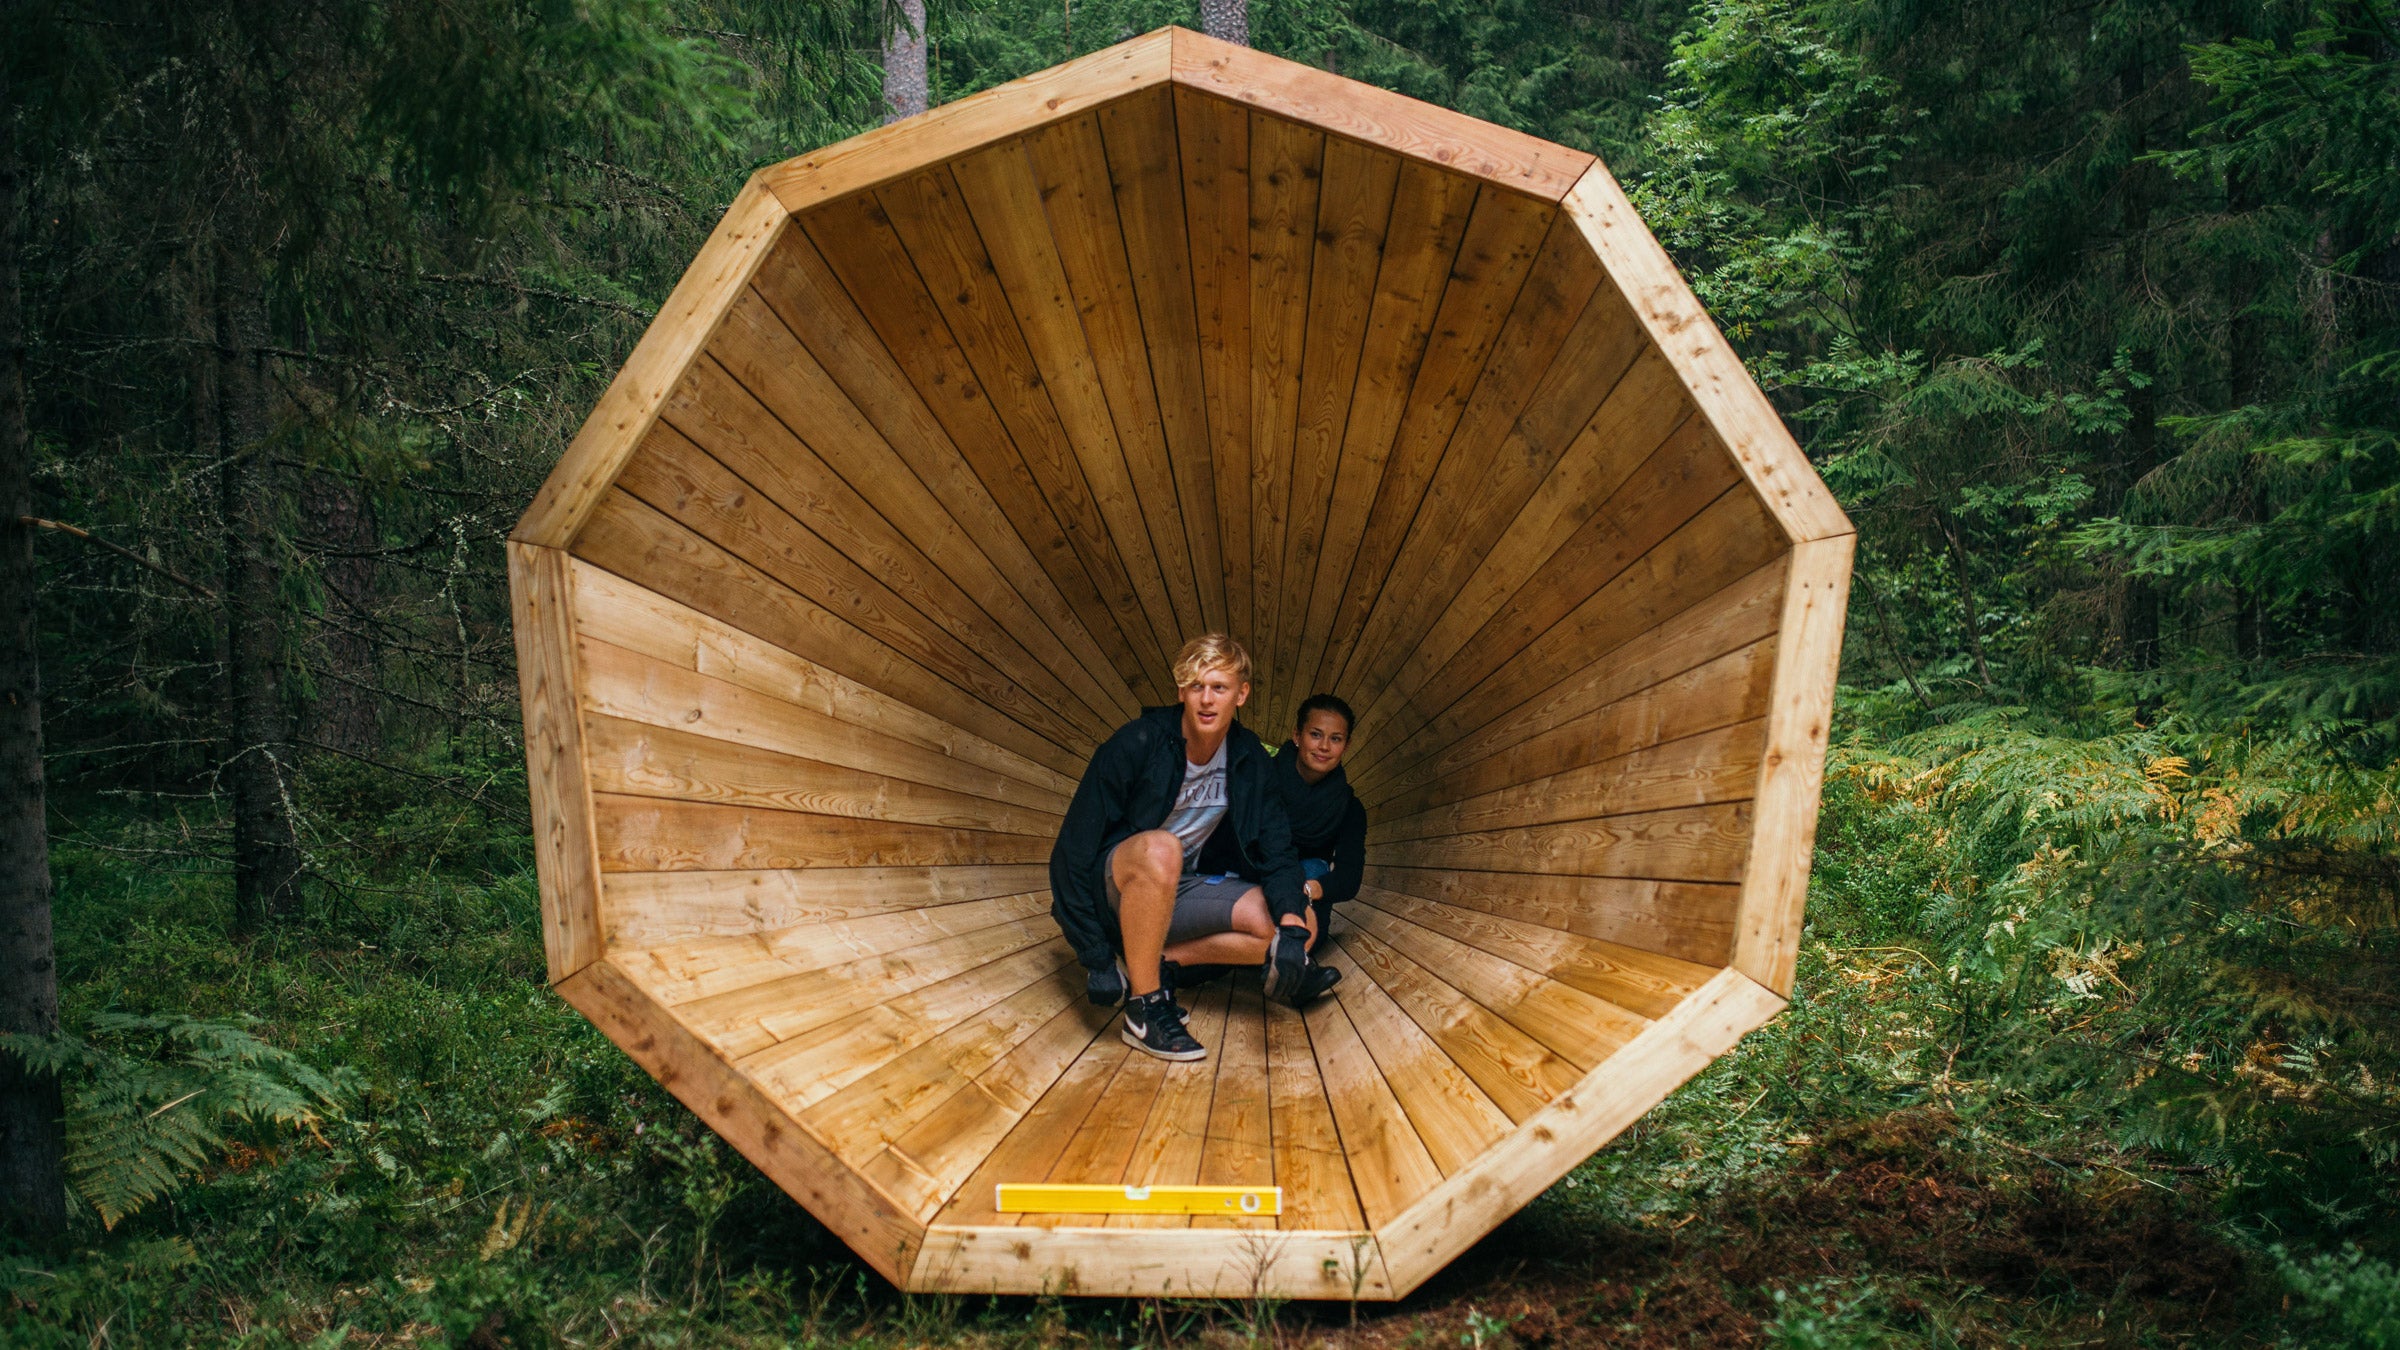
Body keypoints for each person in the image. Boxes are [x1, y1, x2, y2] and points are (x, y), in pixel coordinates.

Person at [1048, 635, 1340, 1062]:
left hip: (1179, 891)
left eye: (1219, 688)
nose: (1206, 700)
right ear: (1180, 690)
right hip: (1118, 890)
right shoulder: (1138, 742)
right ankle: (1144, 1009)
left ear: (1241, 694)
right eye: (1196, 686)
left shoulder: (1248, 757)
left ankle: (1154, 963)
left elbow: (1278, 848)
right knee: (1164, 849)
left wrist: (1292, 925)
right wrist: (1094, 956)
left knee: (1303, 923)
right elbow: (1070, 853)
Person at [1270, 694, 1367, 939]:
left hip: (1306, 892)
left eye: (1335, 739)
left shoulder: (1349, 808)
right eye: (1315, 734)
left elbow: (1348, 879)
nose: (1324, 746)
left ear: (1346, 745)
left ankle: (1293, 953)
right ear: (1297, 736)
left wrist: (1305, 889)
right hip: (1256, 878)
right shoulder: (1264, 779)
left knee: (1314, 866)